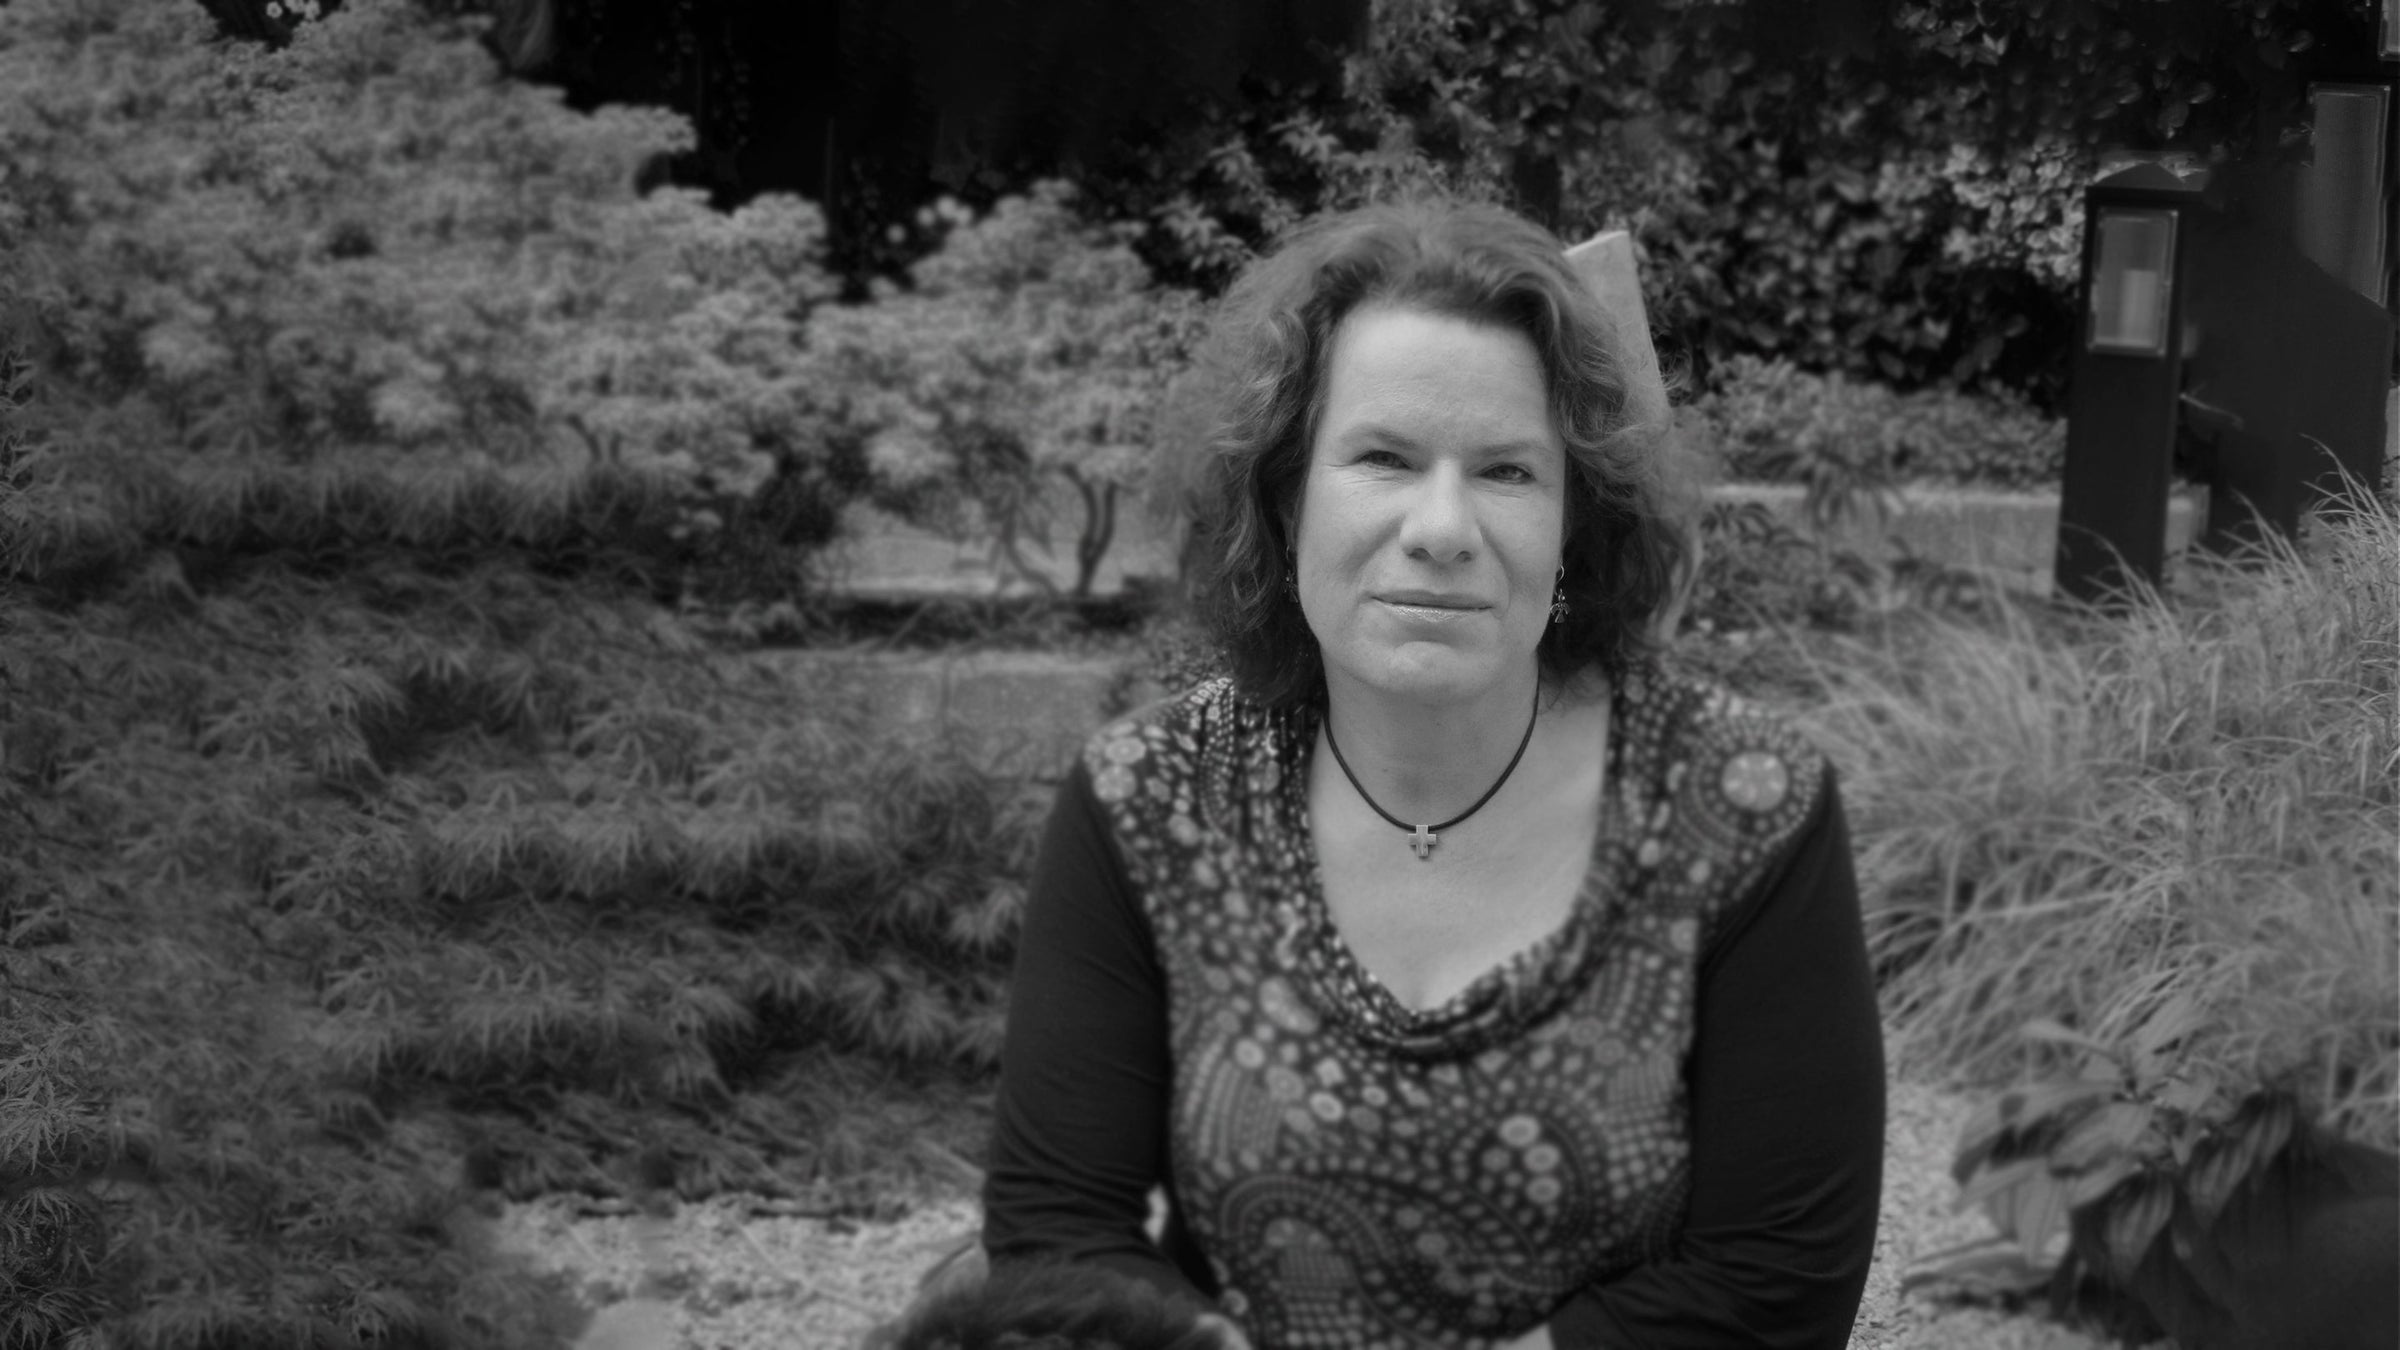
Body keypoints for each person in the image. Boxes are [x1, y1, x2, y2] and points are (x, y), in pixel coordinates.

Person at [977, 197, 1885, 1349]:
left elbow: (1777, 1282)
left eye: (1506, 471)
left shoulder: (1745, 804)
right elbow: (1057, 1234)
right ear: (1285, 496)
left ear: (1574, 519)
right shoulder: (1148, 797)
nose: (1442, 526)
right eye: (1384, 459)